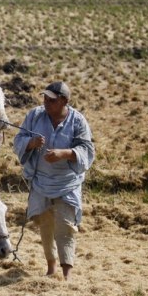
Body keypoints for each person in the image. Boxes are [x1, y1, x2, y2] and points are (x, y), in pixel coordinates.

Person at [13, 81, 95, 280]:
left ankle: (67, 273)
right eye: (45, 98)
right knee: (46, 224)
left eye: (52, 100)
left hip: (67, 183)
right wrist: (31, 143)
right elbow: (18, 140)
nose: (46, 103)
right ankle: (51, 268)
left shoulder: (78, 121)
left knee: (65, 226)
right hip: (41, 181)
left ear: (64, 101)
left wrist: (65, 153)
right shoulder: (34, 116)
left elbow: (87, 150)